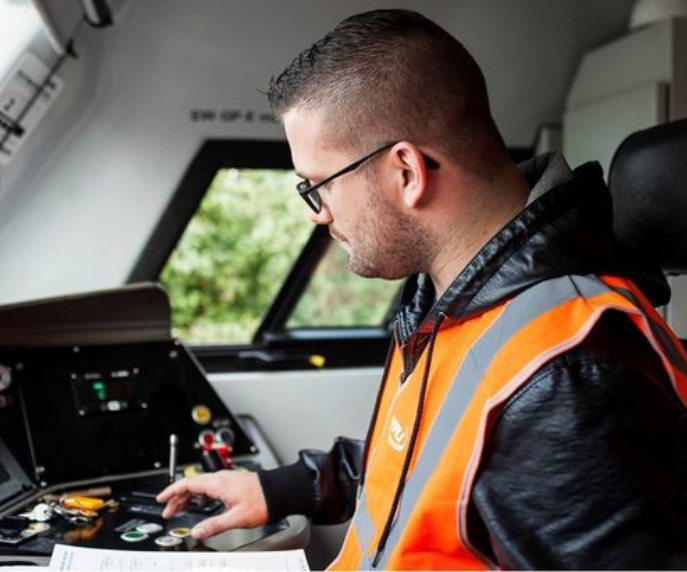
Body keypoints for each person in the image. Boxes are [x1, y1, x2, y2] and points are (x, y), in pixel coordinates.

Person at [157, 9, 687, 569]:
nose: (317, 213)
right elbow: (432, 464)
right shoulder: (453, 295)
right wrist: (284, 488)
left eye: (318, 186)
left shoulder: (571, 372)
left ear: (405, 171)